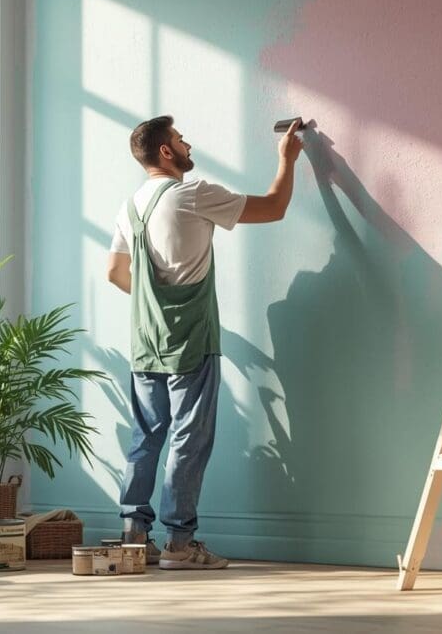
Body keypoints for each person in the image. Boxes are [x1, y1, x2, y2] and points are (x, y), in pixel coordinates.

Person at [107, 115, 304, 569]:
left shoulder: (130, 206)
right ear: (165, 152)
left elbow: (116, 274)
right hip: (190, 338)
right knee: (188, 439)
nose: (187, 142)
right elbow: (274, 207)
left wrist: (154, 298)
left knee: (146, 437)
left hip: (144, 341)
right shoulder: (191, 194)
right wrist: (286, 159)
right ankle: (180, 543)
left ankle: (134, 536)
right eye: (179, 138)